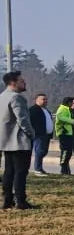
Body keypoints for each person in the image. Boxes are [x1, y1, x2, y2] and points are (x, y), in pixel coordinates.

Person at [1, 71, 36, 209]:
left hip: (6, 140)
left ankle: (7, 200)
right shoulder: (16, 98)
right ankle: (21, 201)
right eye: (22, 81)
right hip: (19, 140)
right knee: (20, 172)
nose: (24, 83)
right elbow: (22, 119)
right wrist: (31, 133)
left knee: (8, 171)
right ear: (13, 83)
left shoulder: (2, 97)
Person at [55, 97, 74, 175]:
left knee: (72, 152)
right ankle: (64, 169)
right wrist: (72, 121)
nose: (73, 104)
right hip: (65, 134)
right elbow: (59, 117)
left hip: (72, 134)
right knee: (65, 152)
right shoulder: (63, 109)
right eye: (72, 103)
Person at [28, 93, 54, 176]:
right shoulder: (33, 110)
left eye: (46, 99)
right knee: (39, 151)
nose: (45, 101)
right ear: (37, 100)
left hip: (46, 135)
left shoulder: (46, 110)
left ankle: (40, 168)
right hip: (38, 135)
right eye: (43, 99)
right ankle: (37, 169)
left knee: (44, 152)